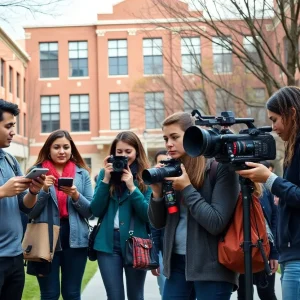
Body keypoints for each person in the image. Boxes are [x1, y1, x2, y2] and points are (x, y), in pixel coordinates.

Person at [148, 112, 240, 300]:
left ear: (192, 135)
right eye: (165, 138)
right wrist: (156, 193)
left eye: (174, 137)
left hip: (212, 268)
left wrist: (187, 188)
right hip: (176, 266)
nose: (168, 144)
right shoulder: (172, 169)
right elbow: (158, 223)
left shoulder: (219, 167)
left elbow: (216, 222)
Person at [236, 86, 300, 300]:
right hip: (291, 255)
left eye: (275, 119)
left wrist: (270, 180)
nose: (273, 128)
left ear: (292, 113)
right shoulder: (293, 147)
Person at [27, 129, 93, 300]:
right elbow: (30, 211)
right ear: (48, 149)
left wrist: (76, 195)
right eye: (56, 147)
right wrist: (44, 190)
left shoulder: (82, 173)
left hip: (76, 239)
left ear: (72, 149)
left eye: (66, 147)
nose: (62, 151)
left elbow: (90, 212)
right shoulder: (36, 172)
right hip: (44, 238)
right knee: (49, 294)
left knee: (72, 294)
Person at [90, 131, 152, 300]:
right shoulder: (105, 175)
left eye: (128, 151)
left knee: (135, 296)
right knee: (114, 296)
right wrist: (106, 180)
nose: (124, 156)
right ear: (113, 153)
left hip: (136, 244)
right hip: (107, 244)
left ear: (137, 152)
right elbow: (95, 210)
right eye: (119, 152)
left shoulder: (146, 175)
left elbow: (148, 215)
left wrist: (132, 187)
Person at [0, 99, 45, 300]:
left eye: (13, 126)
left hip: (15, 256)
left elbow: (24, 207)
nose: (13, 132)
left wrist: (33, 192)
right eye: (8, 126)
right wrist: (2, 191)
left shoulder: (10, 160)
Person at [237, 162, 279, 300]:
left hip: (263, 250)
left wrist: (274, 253)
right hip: (240, 251)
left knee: (266, 294)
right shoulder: (233, 188)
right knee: (243, 294)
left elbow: (273, 220)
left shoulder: (264, 189)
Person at [150, 150, 169, 297]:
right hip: (164, 249)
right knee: (165, 291)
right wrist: (154, 256)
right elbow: (155, 227)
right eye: (162, 163)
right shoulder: (156, 189)